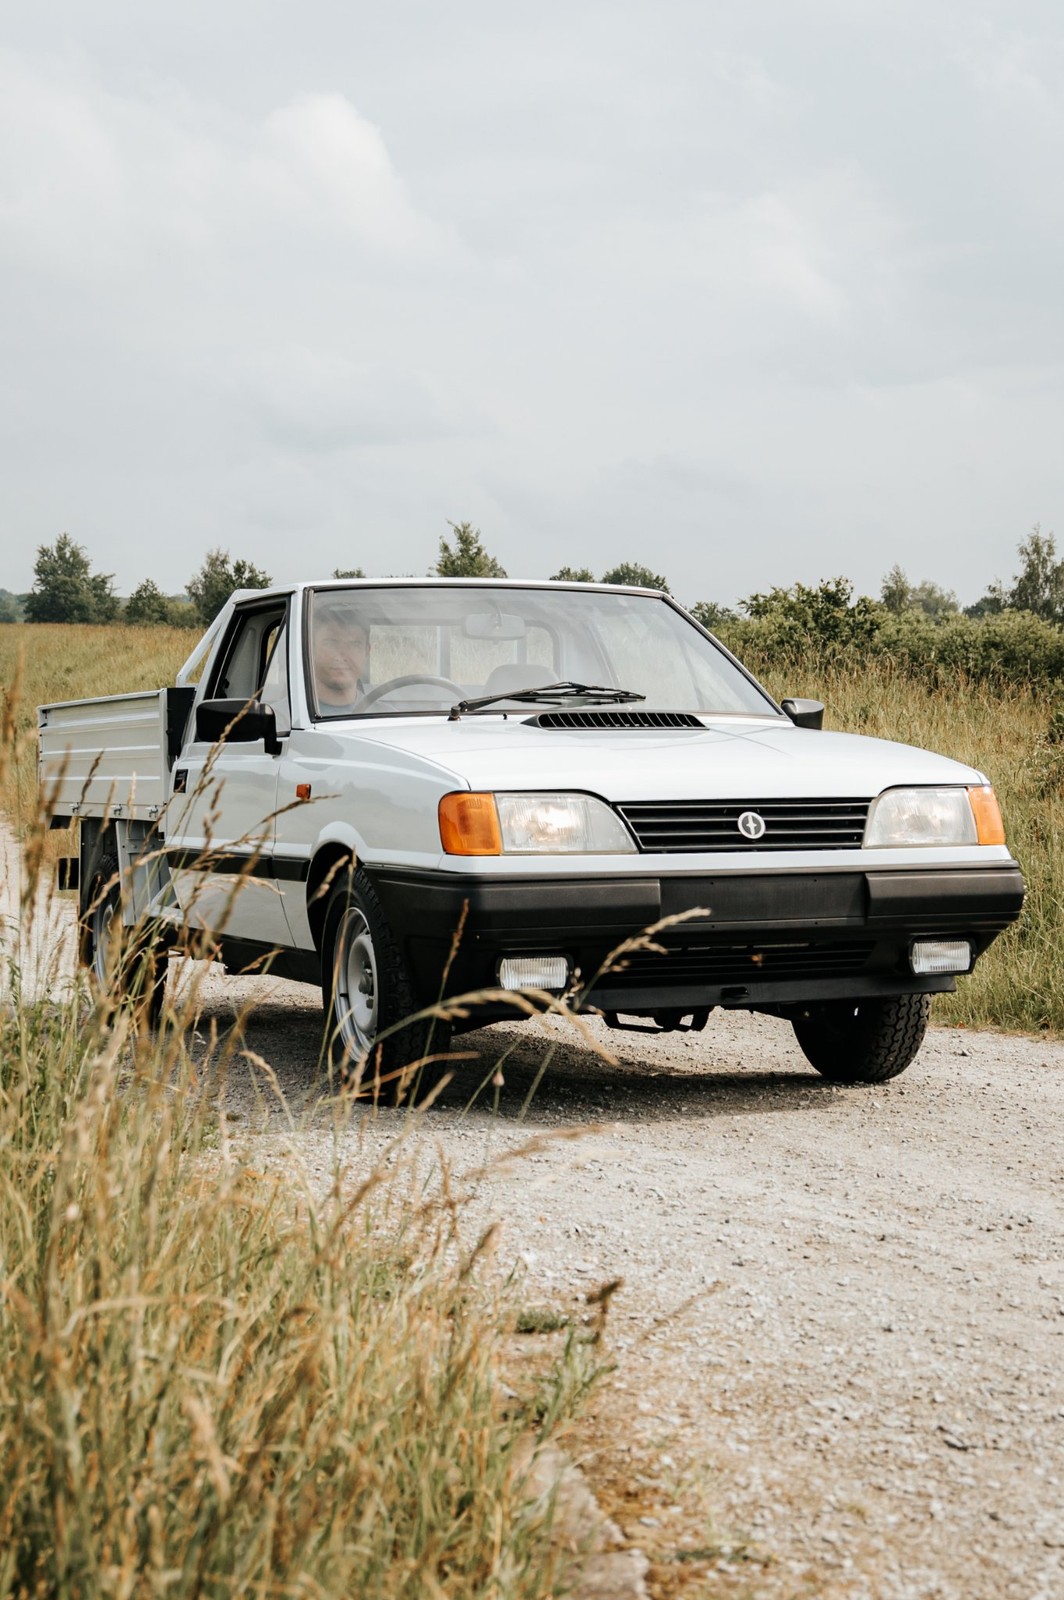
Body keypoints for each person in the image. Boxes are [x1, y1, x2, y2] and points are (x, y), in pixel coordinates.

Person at [311, 606, 370, 714]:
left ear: (367, 652)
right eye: (330, 643)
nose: (342, 654)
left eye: (354, 645)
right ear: (311, 649)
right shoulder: (282, 720)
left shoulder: (388, 718)